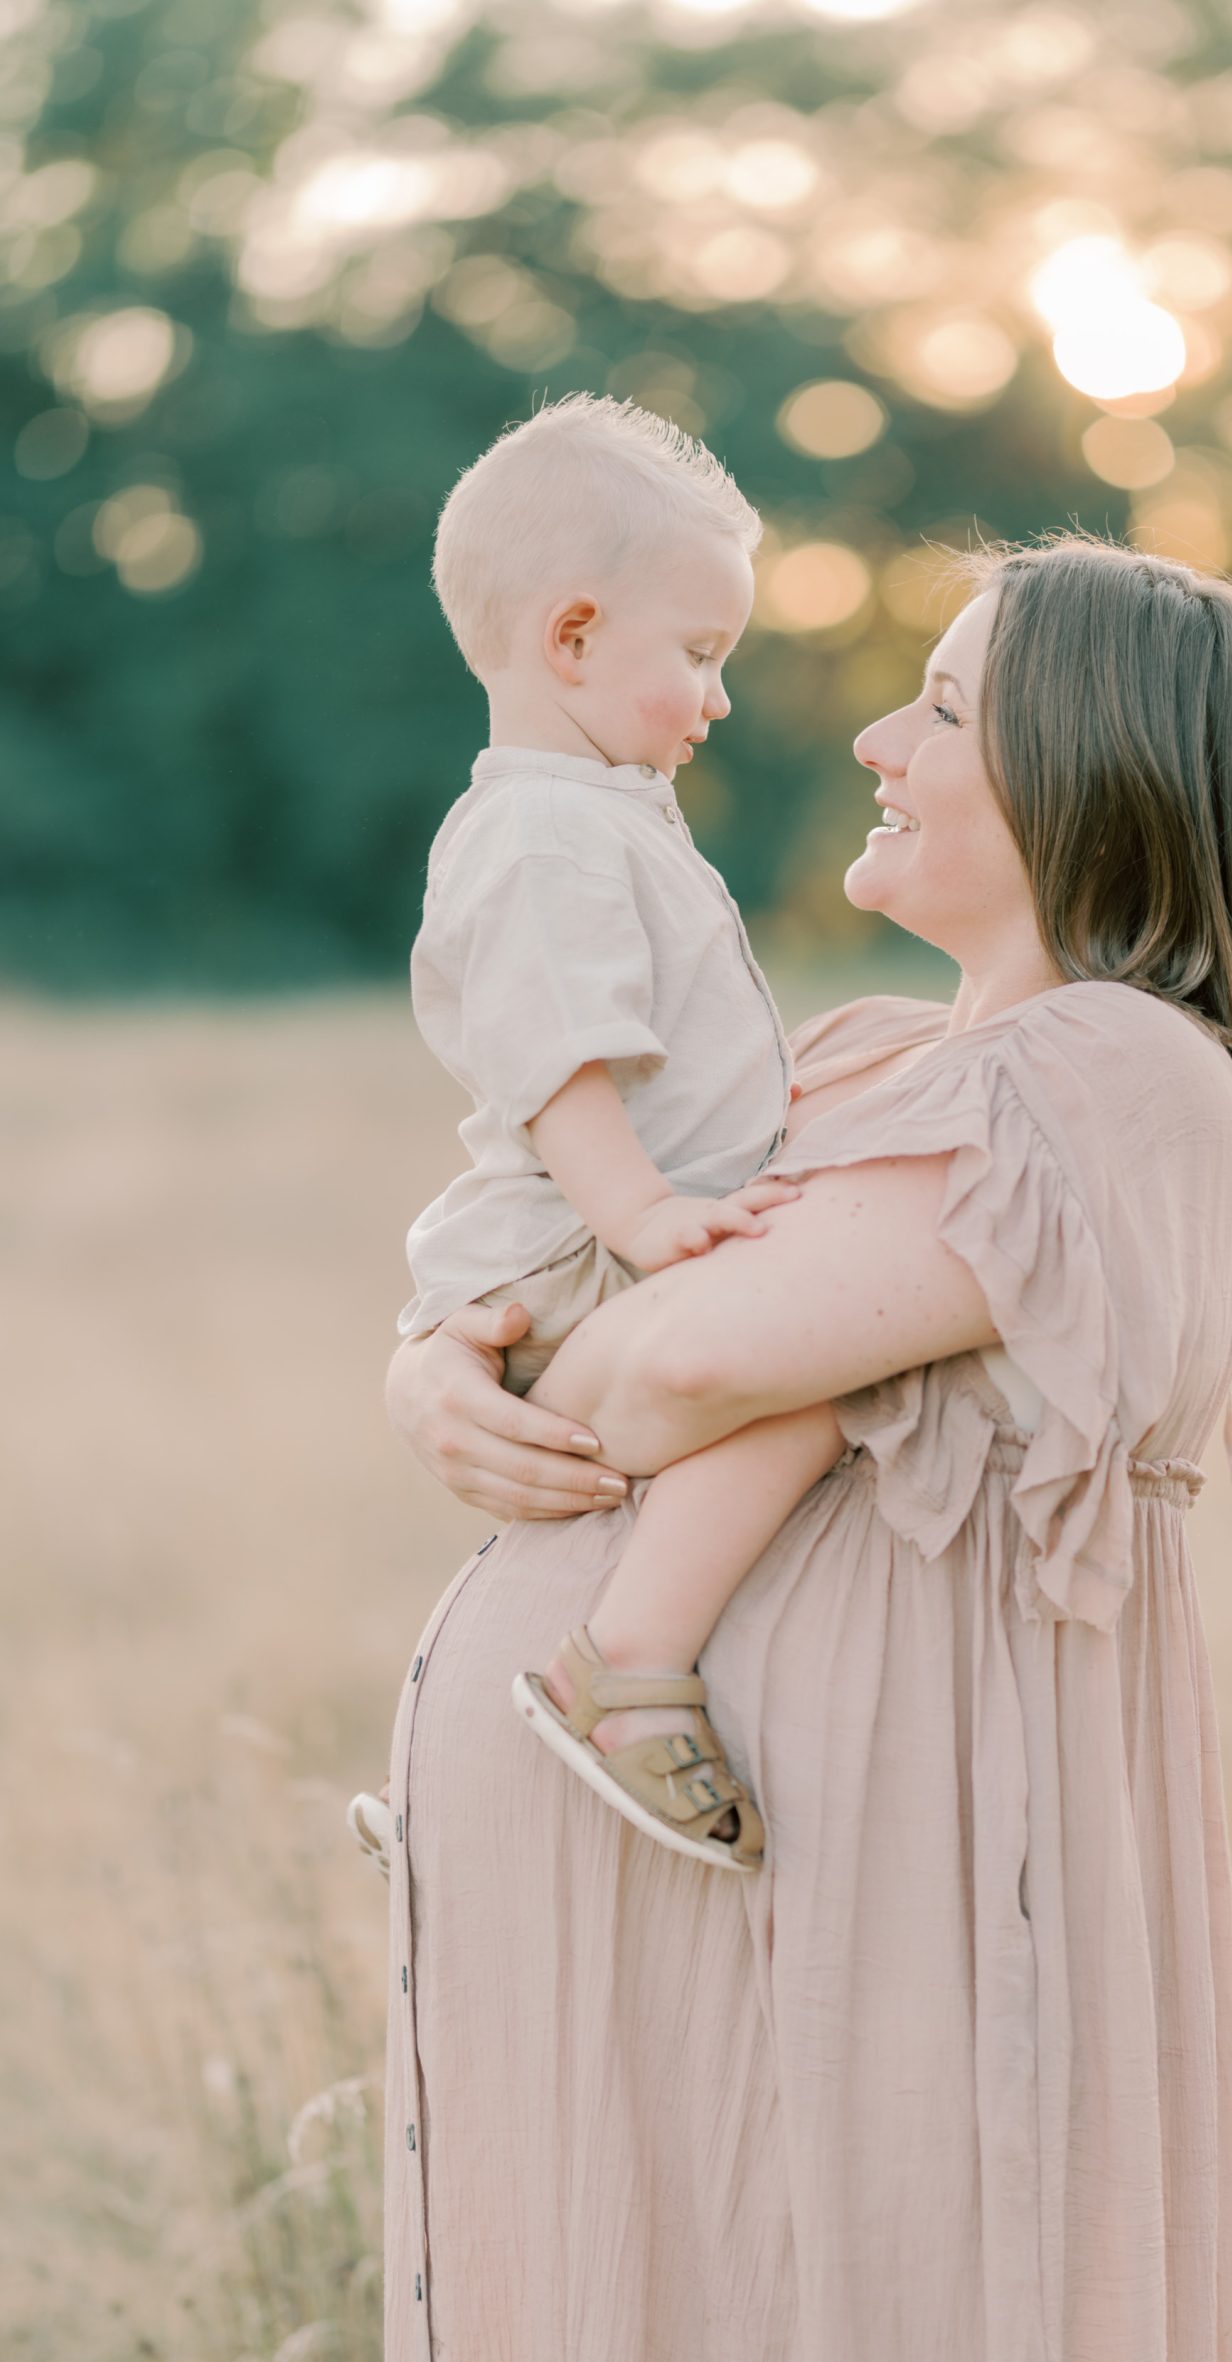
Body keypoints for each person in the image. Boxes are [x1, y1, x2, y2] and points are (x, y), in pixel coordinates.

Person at [375, 535, 1232, 2362]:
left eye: (951, 708)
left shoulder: (1114, 1066)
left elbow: (675, 1356)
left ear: (1095, 766)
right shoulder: (875, 1058)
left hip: (900, 1871)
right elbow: (580, 1285)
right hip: (711, 1874)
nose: (884, 739)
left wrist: (572, 1367)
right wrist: (435, 1364)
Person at [352, 393, 859, 1880]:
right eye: (698, 657)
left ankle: (563, 1695)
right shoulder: (541, 831)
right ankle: (623, 1664)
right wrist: (644, 1220)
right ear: (572, 638)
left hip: (613, 1220)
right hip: (580, 1239)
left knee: (795, 1382)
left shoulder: (600, 810)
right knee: (800, 1381)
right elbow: (557, 1062)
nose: (714, 698)